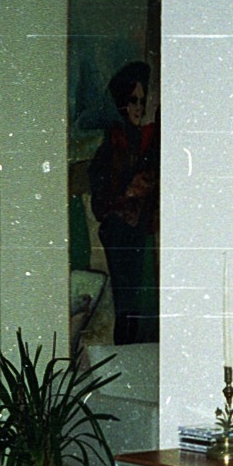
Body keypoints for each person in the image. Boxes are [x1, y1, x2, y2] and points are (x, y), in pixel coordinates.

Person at [88, 60, 159, 344]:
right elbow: (101, 202)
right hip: (119, 230)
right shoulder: (111, 148)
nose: (138, 108)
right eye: (133, 101)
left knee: (138, 299)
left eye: (142, 101)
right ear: (121, 103)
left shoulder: (145, 142)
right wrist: (127, 194)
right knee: (125, 299)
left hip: (139, 229)